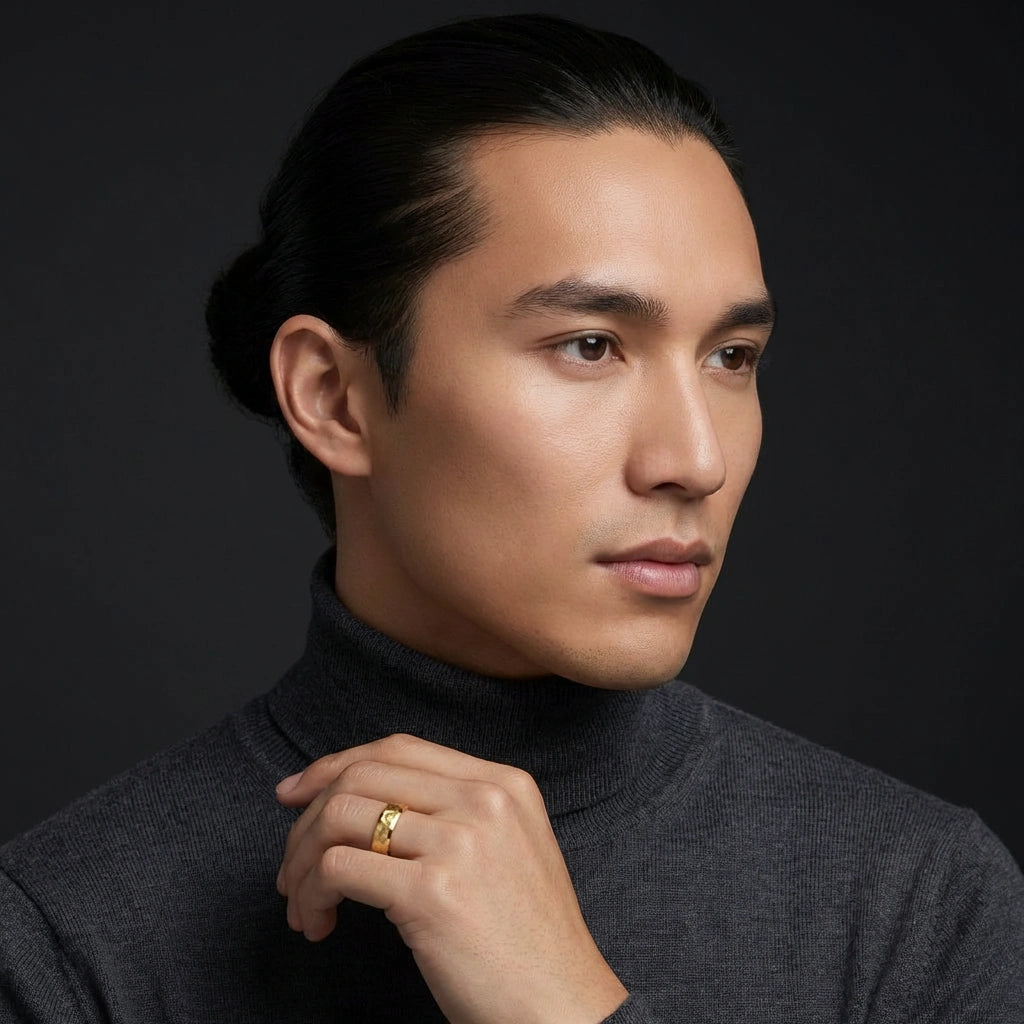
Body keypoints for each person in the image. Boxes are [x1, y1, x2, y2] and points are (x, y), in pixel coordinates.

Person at [1, 12, 1021, 1023]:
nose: (695, 459)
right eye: (589, 345)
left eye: (730, 358)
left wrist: (560, 1006)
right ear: (334, 397)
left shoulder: (922, 904)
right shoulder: (66, 936)